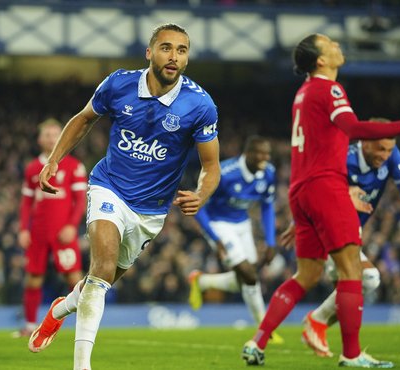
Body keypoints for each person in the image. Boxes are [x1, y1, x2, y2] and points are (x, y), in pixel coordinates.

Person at [27, 23, 221, 370]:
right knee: (100, 271)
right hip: (109, 186)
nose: (173, 56)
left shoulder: (200, 104)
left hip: (151, 212)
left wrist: (203, 193)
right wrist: (54, 159)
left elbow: (211, 165)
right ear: (149, 52)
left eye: (181, 50)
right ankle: (82, 365)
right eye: (166, 48)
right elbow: (84, 118)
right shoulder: (118, 83)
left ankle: (59, 310)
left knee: (97, 286)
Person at [241, 33, 400, 368]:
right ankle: (352, 355)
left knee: (306, 275)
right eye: (330, 44)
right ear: (320, 60)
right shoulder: (328, 88)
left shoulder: (302, 94)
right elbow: (351, 126)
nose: (337, 46)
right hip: (325, 185)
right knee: (352, 272)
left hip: (300, 190)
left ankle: (257, 342)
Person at [280, 125, 400, 358]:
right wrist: (301, 220)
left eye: (389, 150)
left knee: (354, 284)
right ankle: (328, 332)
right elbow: (316, 188)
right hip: (330, 229)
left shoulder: (391, 155)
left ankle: (320, 327)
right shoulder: (342, 157)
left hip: (352, 232)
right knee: (365, 278)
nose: (385, 155)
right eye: (381, 149)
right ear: (365, 143)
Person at [188, 135, 283, 343]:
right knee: (249, 275)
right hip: (218, 224)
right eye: (260, 153)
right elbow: (198, 205)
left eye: (267, 154)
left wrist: (270, 241)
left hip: (242, 224)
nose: (264, 158)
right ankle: (265, 330)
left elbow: (267, 206)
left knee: (247, 278)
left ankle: (202, 281)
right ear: (247, 154)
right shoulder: (226, 173)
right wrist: (215, 237)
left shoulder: (268, 173)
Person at [14, 119, 87, 338]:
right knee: (33, 277)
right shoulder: (33, 168)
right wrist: (23, 229)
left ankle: (86, 325)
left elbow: (80, 200)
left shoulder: (74, 165)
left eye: (56, 134)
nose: (52, 138)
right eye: (47, 134)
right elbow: (26, 202)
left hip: (62, 232)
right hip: (38, 232)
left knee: (74, 278)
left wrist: (71, 226)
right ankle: (29, 325)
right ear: (39, 139)